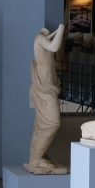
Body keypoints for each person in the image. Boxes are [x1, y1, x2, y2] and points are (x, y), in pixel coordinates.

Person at [24, 24, 68, 175]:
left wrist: (58, 31)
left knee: (43, 123)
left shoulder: (43, 39)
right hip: (45, 89)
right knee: (51, 123)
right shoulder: (40, 38)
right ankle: (35, 158)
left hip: (48, 87)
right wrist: (62, 27)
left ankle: (39, 155)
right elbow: (55, 47)